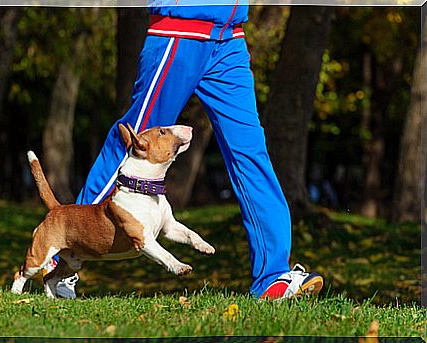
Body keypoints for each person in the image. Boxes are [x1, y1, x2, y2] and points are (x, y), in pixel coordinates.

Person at [45, 0, 324, 300]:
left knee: (251, 152)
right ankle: (60, 254)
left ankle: (273, 279)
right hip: (181, 29)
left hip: (230, 38)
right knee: (134, 142)